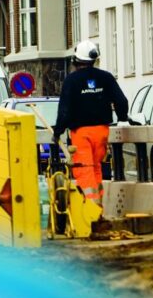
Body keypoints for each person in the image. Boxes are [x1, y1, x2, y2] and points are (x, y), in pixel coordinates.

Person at [51, 40, 130, 204]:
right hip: (102, 131)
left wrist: (58, 131)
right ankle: (99, 206)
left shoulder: (71, 81)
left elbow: (64, 110)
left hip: (81, 133)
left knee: (84, 169)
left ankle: (91, 209)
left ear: (75, 60)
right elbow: (121, 101)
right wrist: (122, 117)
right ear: (94, 59)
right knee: (96, 168)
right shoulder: (106, 77)